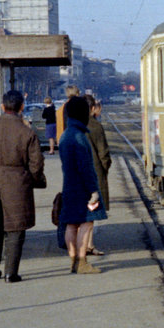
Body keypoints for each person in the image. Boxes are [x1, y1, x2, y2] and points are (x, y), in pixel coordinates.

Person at [0, 89, 46, 283]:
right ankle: (10, 273)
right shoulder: (27, 133)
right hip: (17, 184)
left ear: (2, 107)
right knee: (15, 229)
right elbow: (36, 164)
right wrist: (33, 180)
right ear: (22, 107)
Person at [59, 95, 106, 274]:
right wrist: (93, 190)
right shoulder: (79, 137)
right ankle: (82, 261)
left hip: (69, 185)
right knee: (87, 223)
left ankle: (72, 261)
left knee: (71, 224)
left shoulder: (65, 135)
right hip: (82, 188)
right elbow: (86, 168)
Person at [85, 94, 112, 257]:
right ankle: (88, 245)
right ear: (93, 108)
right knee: (90, 213)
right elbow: (104, 153)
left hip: (78, 176)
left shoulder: (74, 126)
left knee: (85, 213)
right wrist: (105, 169)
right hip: (94, 174)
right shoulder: (95, 126)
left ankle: (87, 245)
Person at [55, 85, 80, 250]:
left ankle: (65, 235)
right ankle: (68, 238)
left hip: (64, 151)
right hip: (73, 153)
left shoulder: (60, 109)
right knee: (74, 198)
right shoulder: (74, 108)